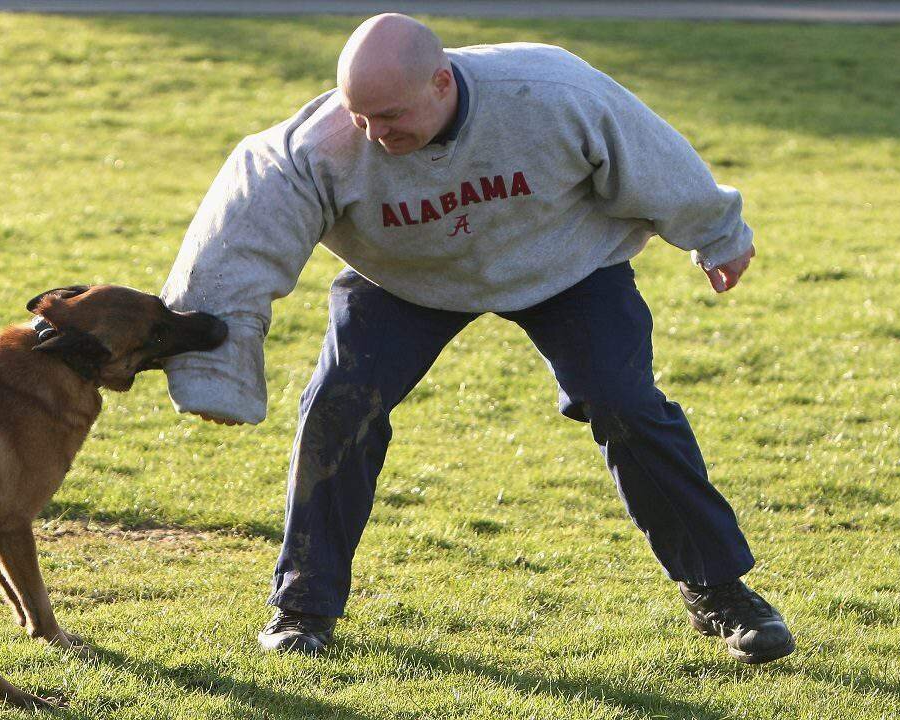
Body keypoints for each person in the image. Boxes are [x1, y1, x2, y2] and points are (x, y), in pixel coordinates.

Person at [159, 13, 794, 664]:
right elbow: (234, 249)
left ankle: (720, 593)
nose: (376, 134)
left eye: (391, 115)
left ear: (441, 82)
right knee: (339, 406)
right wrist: (215, 363)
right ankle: (302, 610)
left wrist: (718, 232)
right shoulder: (317, 148)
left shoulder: (548, 91)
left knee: (623, 401)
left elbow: (648, 152)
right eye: (362, 117)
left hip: (566, 264)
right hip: (406, 277)